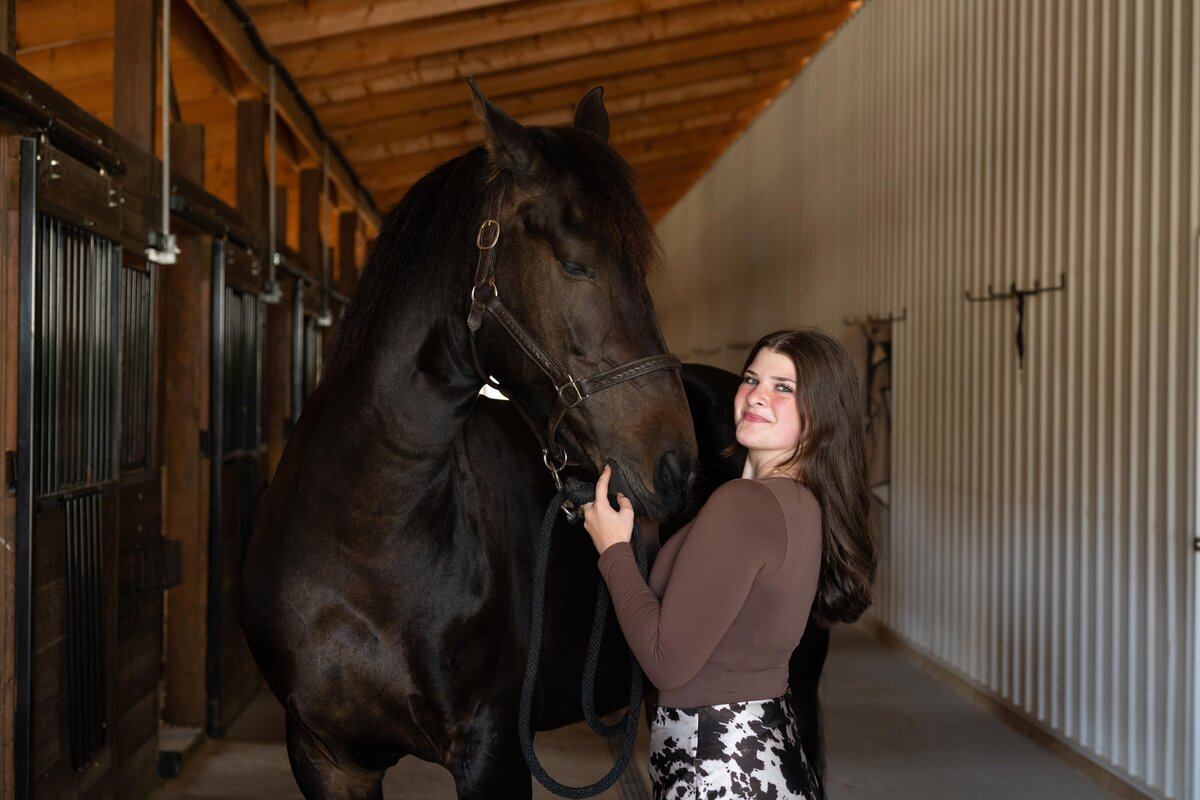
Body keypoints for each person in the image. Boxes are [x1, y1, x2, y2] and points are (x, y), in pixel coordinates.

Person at [580, 328, 876, 800]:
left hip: (716, 768)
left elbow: (667, 663)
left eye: (784, 387)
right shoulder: (798, 503)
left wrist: (612, 551)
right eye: (751, 378)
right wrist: (644, 529)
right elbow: (702, 605)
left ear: (820, 414)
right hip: (766, 756)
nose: (757, 395)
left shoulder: (743, 504)